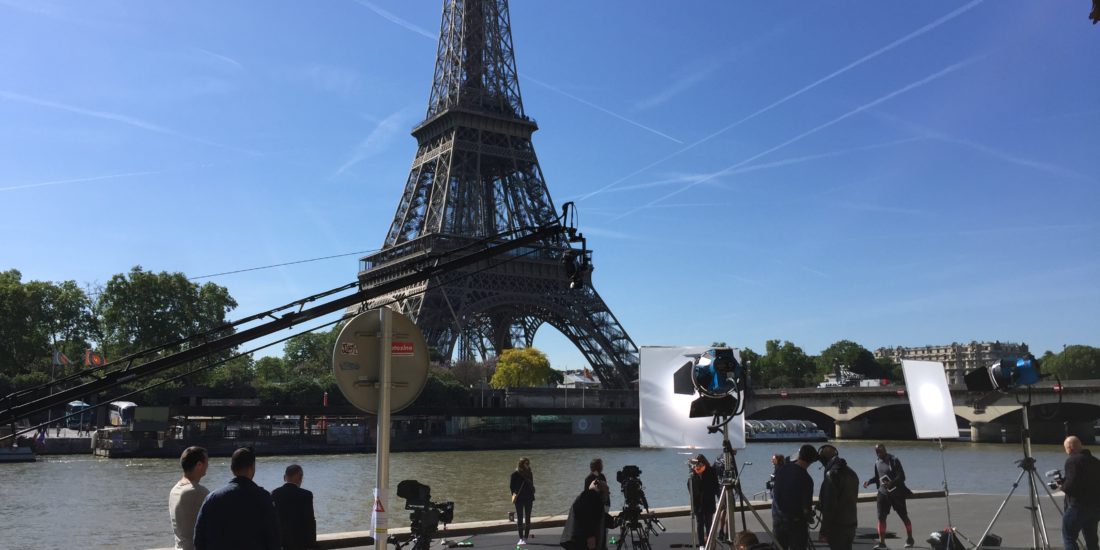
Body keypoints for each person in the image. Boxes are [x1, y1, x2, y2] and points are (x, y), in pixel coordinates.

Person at [194, 447, 280, 550]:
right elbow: (274, 538)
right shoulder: (264, 498)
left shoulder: (212, 498)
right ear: (252, 467)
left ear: (232, 468)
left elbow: (199, 538)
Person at [863, 444, 914, 549]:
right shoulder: (877, 462)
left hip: (897, 494)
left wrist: (892, 483)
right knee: (881, 518)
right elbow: (878, 477)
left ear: (885, 450)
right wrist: (869, 481)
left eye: (881, 450)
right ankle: (882, 542)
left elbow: (902, 476)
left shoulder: (894, 460)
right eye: (877, 451)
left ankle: (910, 538)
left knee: (904, 516)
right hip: (883, 493)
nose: (879, 453)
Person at [771, 444, 817, 550]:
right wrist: (810, 516)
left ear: (799, 455)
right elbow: (806, 508)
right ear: (812, 461)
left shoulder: (782, 470)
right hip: (796, 524)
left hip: (778, 520)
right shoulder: (806, 479)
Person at [1060, 435, 1100, 550]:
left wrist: (1062, 486)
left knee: (1069, 537)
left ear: (1070, 448)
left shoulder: (1072, 460)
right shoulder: (1096, 461)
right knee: (1091, 539)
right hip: (1095, 507)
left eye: (1066, 449)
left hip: (1078, 506)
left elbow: (1071, 484)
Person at [817, 445, 859, 550]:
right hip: (851, 523)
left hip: (837, 526)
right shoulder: (852, 473)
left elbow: (829, 506)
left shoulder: (831, 475)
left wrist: (823, 530)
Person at [169, 446, 210, 550]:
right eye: (207, 462)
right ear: (199, 465)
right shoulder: (198, 492)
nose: (208, 466)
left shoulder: (174, 490)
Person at [272, 464, 317, 550]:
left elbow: (272, 521)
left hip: (281, 544)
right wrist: (311, 545)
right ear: (300, 478)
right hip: (300, 544)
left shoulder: (275, 493)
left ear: (284, 477)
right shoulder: (306, 495)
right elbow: (310, 522)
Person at [560, 479, 608, 550]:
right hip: (583, 542)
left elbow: (597, 516)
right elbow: (586, 517)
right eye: (607, 491)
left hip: (578, 539)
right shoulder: (592, 497)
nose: (608, 494)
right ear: (601, 490)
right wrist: (590, 536)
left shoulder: (590, 496)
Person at [688, 454, 720, 548]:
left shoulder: (710, 470)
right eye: (698, 462)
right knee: (700, 523)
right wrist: (693, 496)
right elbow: (689, 485)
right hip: (698, 502)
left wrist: (718, 496)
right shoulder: (693, 472)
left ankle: (709, 542)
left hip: (708, 501)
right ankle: (701, 544)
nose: (699, 464)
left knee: (709, 523)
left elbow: (715, 485)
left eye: (701, 462)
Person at [510, 456, 536, 545]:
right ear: (521, 464)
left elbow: (532, 484)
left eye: (528, 463)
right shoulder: (515, 474)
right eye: (526, 463)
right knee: (520, 518)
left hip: (529, 498)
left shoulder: (530, 473)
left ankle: (526, 537)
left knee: (528, 517)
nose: (528, 465)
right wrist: (514, 495)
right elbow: (511, 487)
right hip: (519, 499)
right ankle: (521, 538)